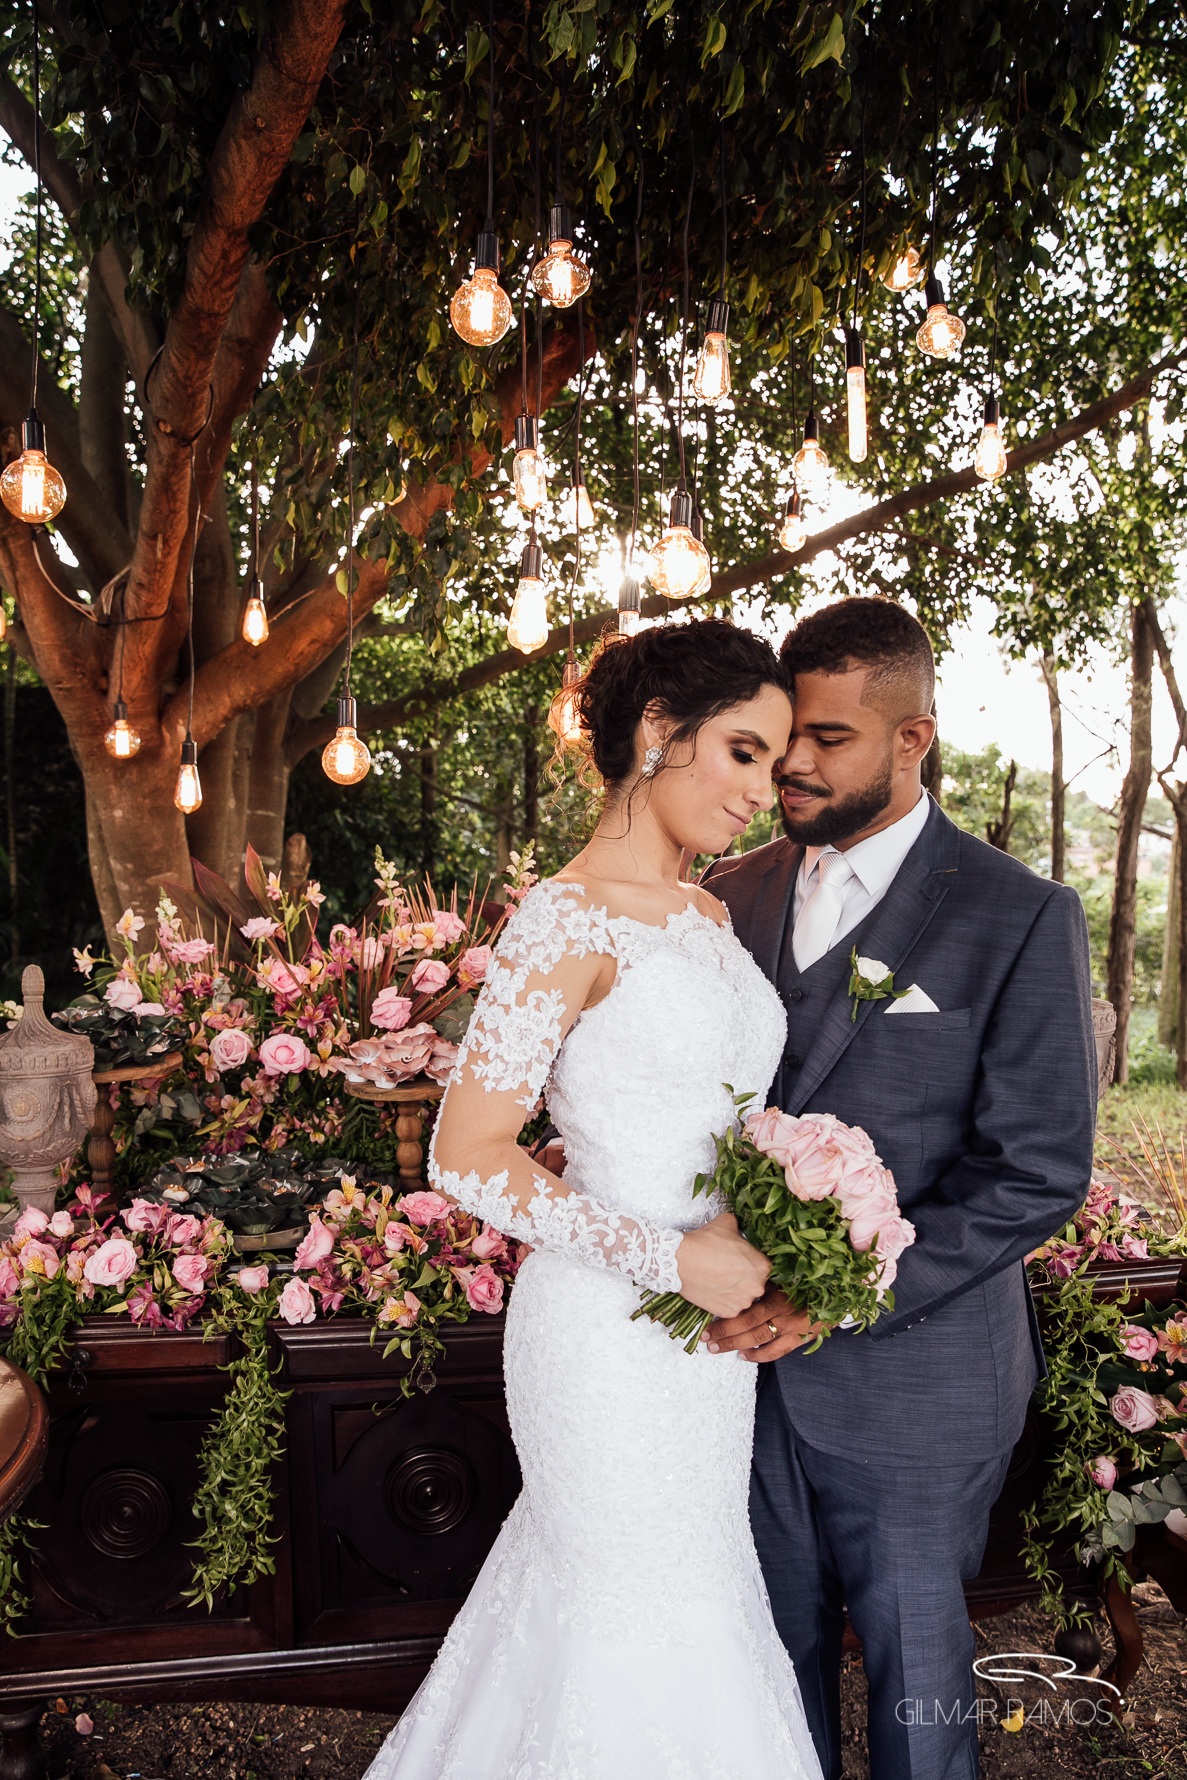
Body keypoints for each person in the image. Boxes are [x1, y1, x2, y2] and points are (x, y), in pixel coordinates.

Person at [366, 619, 824, 1780]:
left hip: (705, 1351)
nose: (760, 790)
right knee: (621, 1613)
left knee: (695, 1599)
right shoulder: (563, 916)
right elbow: (466, 1152)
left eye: (772, 763)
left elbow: (715, 1119)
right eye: (740, 751)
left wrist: (771, 1221)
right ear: (657, 729)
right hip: (604, 1338)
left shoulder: (707, 916)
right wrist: (672, 1260)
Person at [702, 596, 1098, 1780]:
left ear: (910, 738)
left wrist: (834, 1294)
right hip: (731, 1379)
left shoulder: (1016, 914)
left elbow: (1035, 1169)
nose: (791, 763)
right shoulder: (726, 892)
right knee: (765, 1682)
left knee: (919, 1700)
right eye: (786, 735)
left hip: (918, 1389)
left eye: (828, 738)